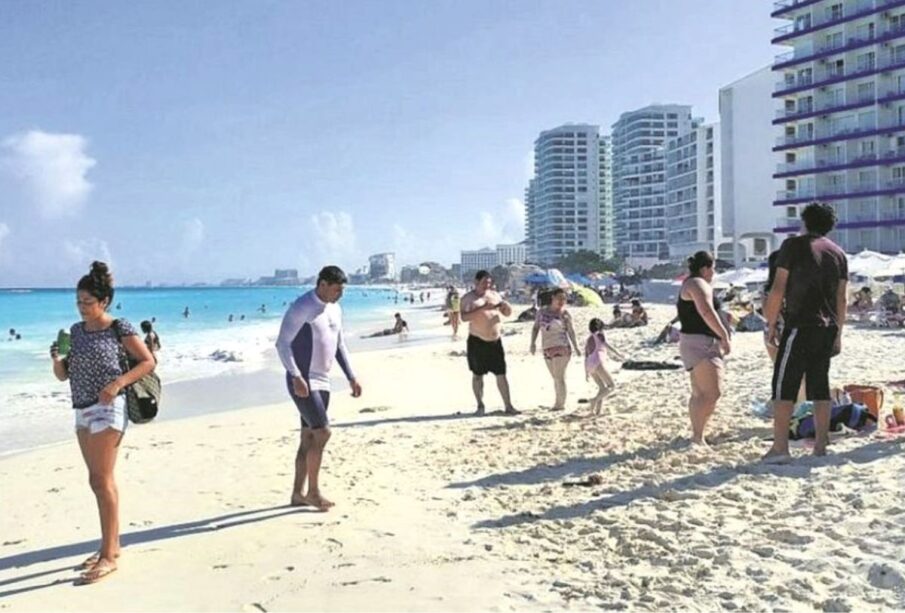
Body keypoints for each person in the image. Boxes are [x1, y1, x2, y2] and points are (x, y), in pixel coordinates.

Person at [49, 261, 156, 584]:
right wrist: (56, 360)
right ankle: (112, 546)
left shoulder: (118, 327)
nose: (82, 308)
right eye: (78, 302)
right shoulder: (76, 332)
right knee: (96, 479)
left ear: (104, 302)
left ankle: (109, 556)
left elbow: (148, 361)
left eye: (88, 302)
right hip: (81, 408)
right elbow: (63, 376)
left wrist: (118, 383)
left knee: (101, 479)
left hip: (109, 407)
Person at [763, 202, 848, 461]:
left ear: (805, 221)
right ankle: (821, 446)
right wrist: (838, 333)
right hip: (827, 327)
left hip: (800, 324)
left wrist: (770, 323)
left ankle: (780, 448)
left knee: (783, 386)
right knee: (820, 385)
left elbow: (778, 288)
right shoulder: (838, 253)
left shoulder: (793, 246)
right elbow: (841, 298)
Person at [275, 265, 362, 511]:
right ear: (322, 284)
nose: (339, 294)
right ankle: (313, 492)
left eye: (342, 290)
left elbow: (338, 345)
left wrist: (351, 376)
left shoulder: (336, 309)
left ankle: (297, 494)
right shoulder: (302, 307)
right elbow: (282, 344)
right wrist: (296, 376)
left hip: (323, 381)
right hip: (303, 381)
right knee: (323, 432)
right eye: (336, 289)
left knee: (309, 437)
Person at [677, 251, 732, 446]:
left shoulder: (694, 283)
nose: (714, 272)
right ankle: (697, 437)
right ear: (705, 268)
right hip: (701, 344)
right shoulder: (697, 284)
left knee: (700, 393)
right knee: (712, 393)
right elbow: (706, 312)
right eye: (713, 268)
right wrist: (724, 336)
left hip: (696, 342)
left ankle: (697, 435)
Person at [460, 270, 519, 416]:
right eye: (484, 282)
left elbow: (507, 313)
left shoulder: (494, 295)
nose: (487, 285)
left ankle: (508, 405)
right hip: (477, 341)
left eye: (489, 282)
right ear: (476, 282)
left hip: (495, 341)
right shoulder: (468, 298)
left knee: (501, 374)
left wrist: (506, 307)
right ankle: (480, 405)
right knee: (478, 375)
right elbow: (464, 317)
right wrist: (482, 309)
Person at [529, 288, 581, 411]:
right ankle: (558, 402)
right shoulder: (541, 312)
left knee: (559, 377)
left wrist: (576, 347)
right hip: (547, 347)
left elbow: (571, 331)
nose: (562, 301)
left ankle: (560, 404)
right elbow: (535, 328)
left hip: (562, 346)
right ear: (553, 298)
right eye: (559, 298)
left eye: (564, 299)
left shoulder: (565, 314)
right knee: (555, 377)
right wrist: (532, 343)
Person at [584, 318, 625, 414]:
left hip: (589, 364)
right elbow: (607, 345)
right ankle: (594, 400)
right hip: (598, 361)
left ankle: (596, 411)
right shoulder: (600, 335)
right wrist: (619, 354)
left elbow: (585, 356)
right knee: (611, 386)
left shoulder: (589, 339)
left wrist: (586, 372)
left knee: (602, 389)